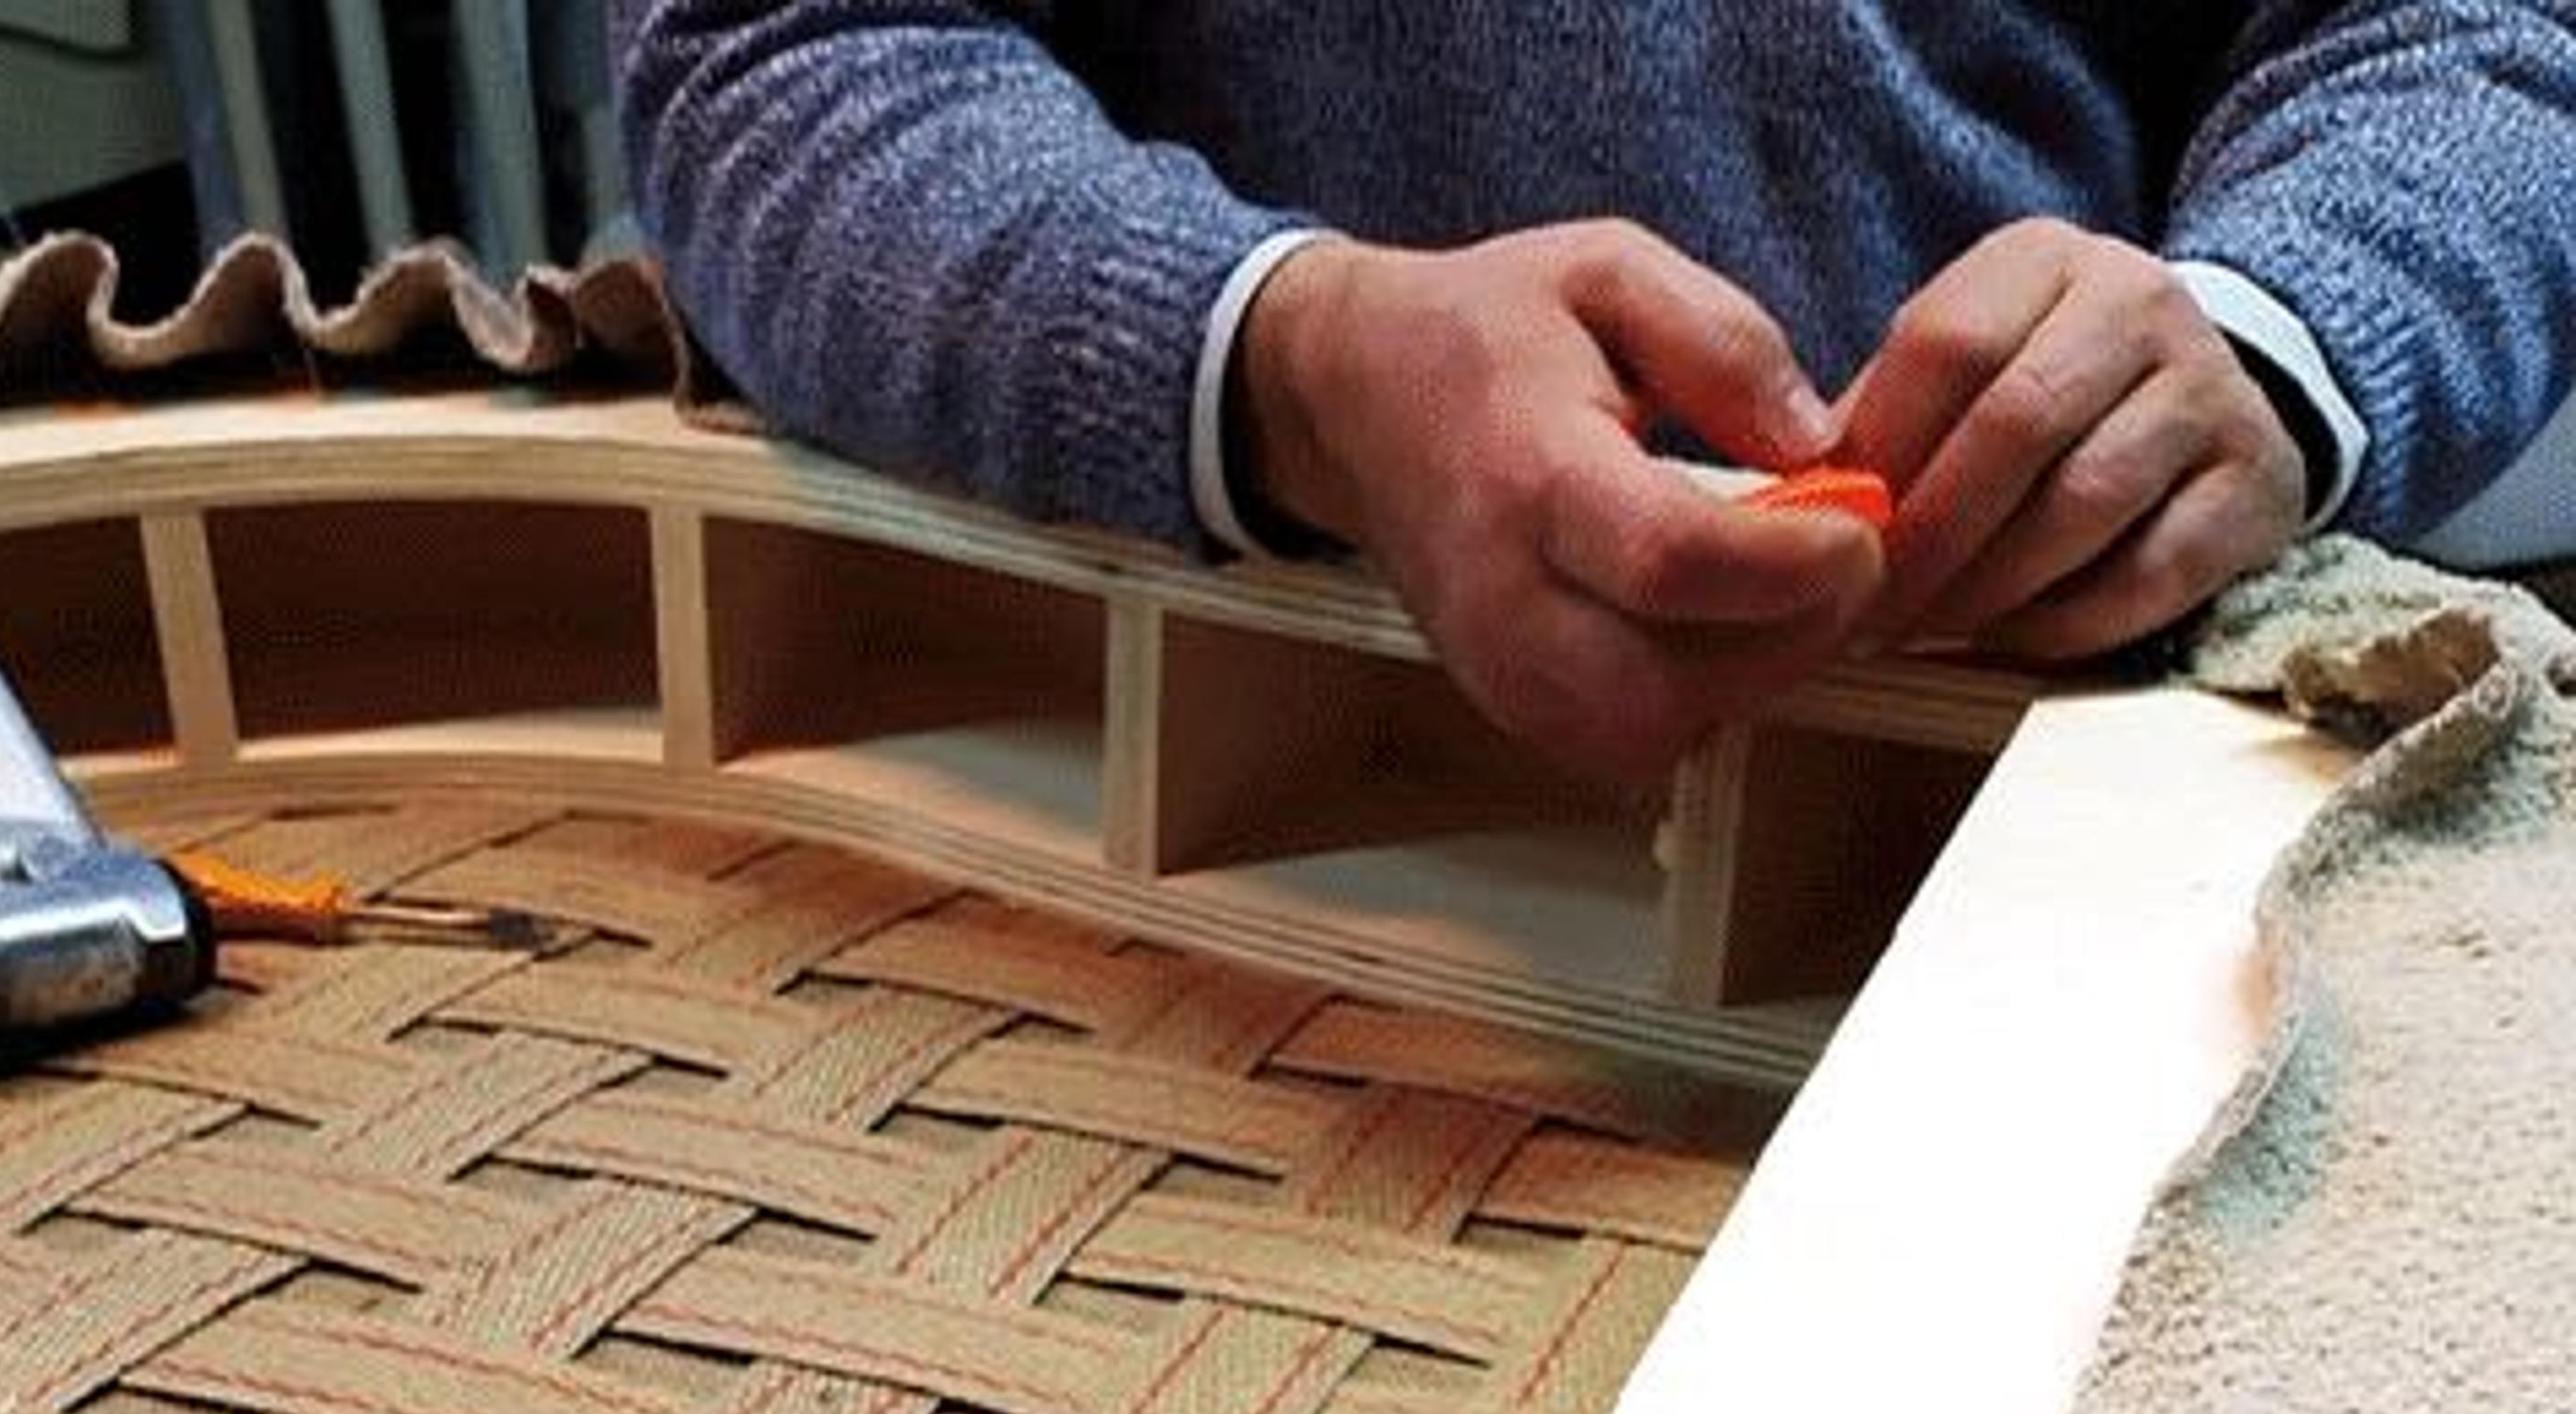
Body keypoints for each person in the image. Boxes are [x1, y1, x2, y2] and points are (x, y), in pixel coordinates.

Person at [607, 5, 2576, 775]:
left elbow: (2480, 30)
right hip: (1255, 732)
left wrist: (2270, 333)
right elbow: (784, 55)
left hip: (2060, 801)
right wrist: (1284, 353)